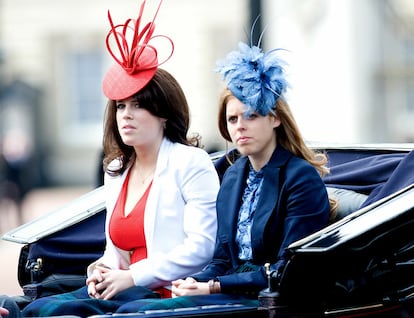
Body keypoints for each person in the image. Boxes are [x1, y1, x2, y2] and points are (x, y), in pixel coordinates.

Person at [22, 1, 219, 316]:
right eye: (120, 106)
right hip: (126, 291)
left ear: (163, 114)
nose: (126, 116)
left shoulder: (191, 163)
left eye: (137, 105)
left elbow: (201, 249)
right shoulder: (116, 169)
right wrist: (100, 270)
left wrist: (132, 277)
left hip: (169, 295)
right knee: (39, 308)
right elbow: (115, 252)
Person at [114, 33, 334, 314]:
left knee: (137, 313)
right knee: (132, 308)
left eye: (251, 115)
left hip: (267, 300)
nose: (240, 126)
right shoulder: (233, 175)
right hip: (227, 292)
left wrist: (214, 286)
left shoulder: (300, 178)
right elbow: (220, 258)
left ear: (275, 118)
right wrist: (194, 281)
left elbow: (289, 269)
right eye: (232, 119)